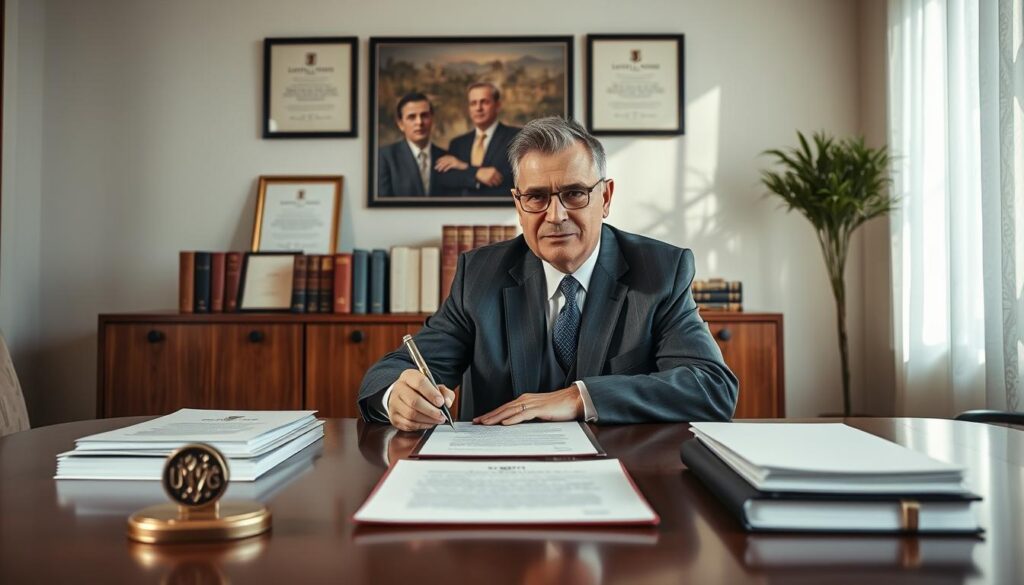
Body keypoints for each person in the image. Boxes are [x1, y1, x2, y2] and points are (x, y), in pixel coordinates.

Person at [358, 117, 738, 430]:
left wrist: (580, 396)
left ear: (605, 198)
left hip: (622, 473)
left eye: (574, 194)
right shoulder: (480, 275)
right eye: (537, 197)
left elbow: (711, 387)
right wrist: (398, 396)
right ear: (518, 204)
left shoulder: (660, 271)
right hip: (500, 480)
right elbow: (388, 373)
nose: (555, 216)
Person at [434, 82, 520, 196]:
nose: (478, 108)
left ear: (497, 106)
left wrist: (464, 167)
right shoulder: (458, 143)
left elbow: (512, 178)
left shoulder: (516, 137)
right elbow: (447, 179)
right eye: (473, 103)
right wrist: (476, 173)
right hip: (465, 211)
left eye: (484, 102)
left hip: (501, 210)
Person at [377, 92, 469, 197]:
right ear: (401, 124)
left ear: (432, 119)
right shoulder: (385, 157)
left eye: (424, 115)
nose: (419, 122)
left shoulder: (447, 158)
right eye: (412, 117)